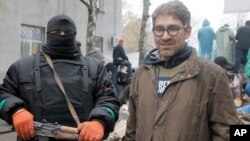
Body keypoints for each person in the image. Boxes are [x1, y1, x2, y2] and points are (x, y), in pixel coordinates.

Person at [124, 1, 239, 141]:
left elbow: (229, 132)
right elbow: (132, 129)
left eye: (173, 28)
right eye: (159, 29)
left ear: (187, 31)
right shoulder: (141, 75)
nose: (165, 36)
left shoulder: (212, 76)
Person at [0, 14, 120, 141]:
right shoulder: (22, 67)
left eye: (68, 32)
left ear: (75, 35)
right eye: (56, 32)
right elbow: (3, 95)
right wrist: (16, 111)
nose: (62, 35)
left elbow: (109, 99)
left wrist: (99, 122)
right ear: (48, 34)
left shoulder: (95, 68)